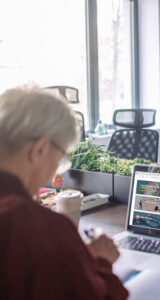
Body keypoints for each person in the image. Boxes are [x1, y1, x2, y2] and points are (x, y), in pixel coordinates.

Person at [0, 85, 128, 299]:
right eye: (60, 158)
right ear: (40, 149)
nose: (55, 170)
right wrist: (99, 261)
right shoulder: (41, 229)